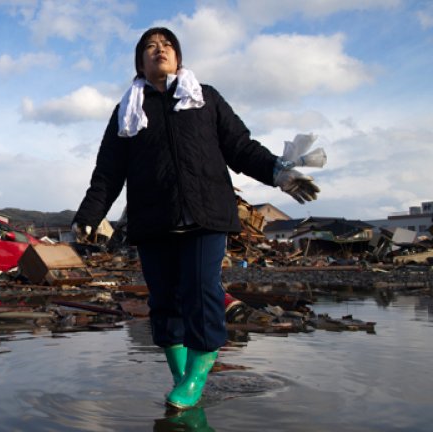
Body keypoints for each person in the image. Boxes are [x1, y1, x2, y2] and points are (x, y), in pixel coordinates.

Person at [71, 27, 322, 409]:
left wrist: (277, 172)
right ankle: (183, 377)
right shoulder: (127, 111)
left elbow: (239, 147)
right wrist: (89, 215)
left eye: (167, 45)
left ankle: (196, 379)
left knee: (202, 292)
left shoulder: (204, 98)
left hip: (206, 216)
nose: (160, 50)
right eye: (151, 47)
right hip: (154, 219)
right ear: (139, 62)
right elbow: (108, 172)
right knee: (164, 301)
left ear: (179, 57)